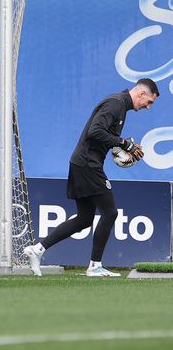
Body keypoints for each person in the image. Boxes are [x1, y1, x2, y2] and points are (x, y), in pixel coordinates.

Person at [24, 78, 159, 277]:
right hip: (88, 164)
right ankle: (95, 265)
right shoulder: (116, 103)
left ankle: (38, 249)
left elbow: (103, 134)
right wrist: (123, 143)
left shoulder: (120, 106)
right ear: (141, 94)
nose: (148, 107)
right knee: (110, 212)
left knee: (85, 218)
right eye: (149, 102)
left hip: (82, 162)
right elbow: (94, 131)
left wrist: (121, 145)